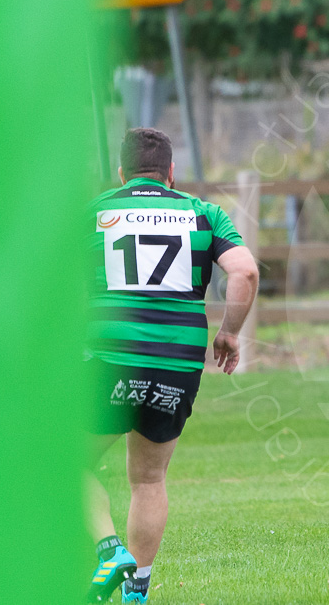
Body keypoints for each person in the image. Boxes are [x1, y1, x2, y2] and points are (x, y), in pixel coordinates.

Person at [84, 128, 259, 601]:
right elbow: (244, 271)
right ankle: (137, 592)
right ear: (171, 174)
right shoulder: (205, 213)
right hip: (177, 365)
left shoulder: (97, 211)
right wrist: (229, 332)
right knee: (148, 478)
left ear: (121, 172)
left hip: (110, 359)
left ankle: (110, 552)